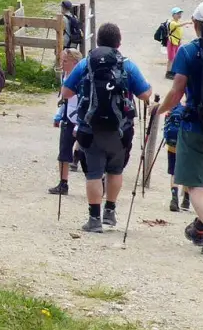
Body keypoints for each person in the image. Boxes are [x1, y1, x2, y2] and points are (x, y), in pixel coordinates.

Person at [156, 2, 203, 255]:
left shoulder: (189, 52)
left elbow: (177, 91)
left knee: (193, 185)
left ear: (196, 23)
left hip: (195, 126)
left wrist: (160, 109)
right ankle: (199, 230)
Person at [60, 23, 153, 231]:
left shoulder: (86, 64)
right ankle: (110, 212)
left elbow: (66, 92)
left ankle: (94, 220)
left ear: (98, 42)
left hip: (90, 128)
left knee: (93, 173)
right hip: (120, 130)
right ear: (119, 43)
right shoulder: (127, 65)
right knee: (115, 170)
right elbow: (145, 95)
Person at [48, 48, 85, 196]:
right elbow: (64, 99)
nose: (62, 64)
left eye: (65, 61)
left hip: (82, 117)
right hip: (68, 116)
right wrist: (59, 115)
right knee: (63, 151)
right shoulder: (65, 75)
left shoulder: (83, 77)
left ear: (75, 63)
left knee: (88, 152)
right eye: (61, 60)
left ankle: (96, 179)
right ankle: (63, 183)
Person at [163, 103, 190, 212]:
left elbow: (167, 118)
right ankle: (186, 200)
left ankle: (174, 199)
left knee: (174, 172)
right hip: (189, 146)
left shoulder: (175, 103)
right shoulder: (193, 104)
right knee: (189, 172)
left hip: (172, 144)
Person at [161, 6, 185, 80]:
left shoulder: (177, 22)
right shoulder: (172, 23)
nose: (179, 15)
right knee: (171, 58)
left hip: (177, 42)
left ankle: (173, 71)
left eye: (180, 13)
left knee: (175, 57)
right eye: (178, 13)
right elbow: (178, 26)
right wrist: (188, 22)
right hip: (172, 42)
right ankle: (168, 73)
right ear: (173, 15)